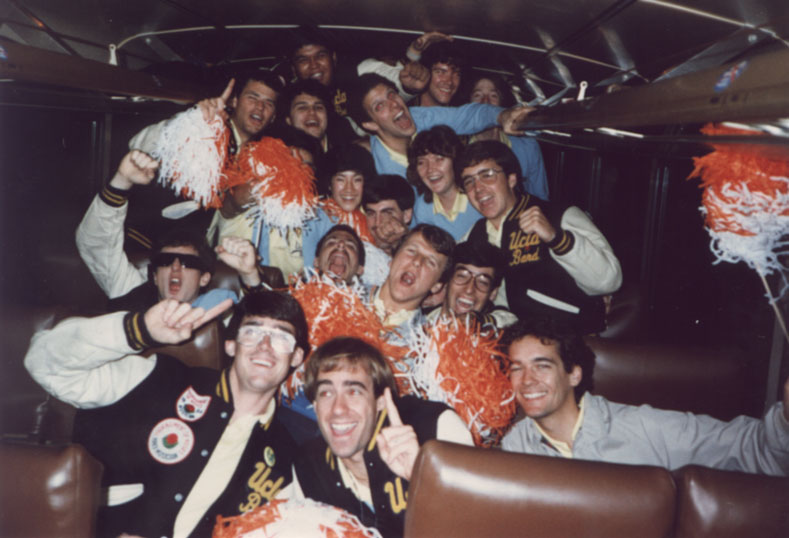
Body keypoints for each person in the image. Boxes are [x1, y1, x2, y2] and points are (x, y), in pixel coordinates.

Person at [24, 291, 312, 537]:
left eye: (281, 337)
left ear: (297, 357)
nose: (265, 346)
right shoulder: (159, 379)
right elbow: (43, 363)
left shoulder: (286, 457)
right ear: (231, 345)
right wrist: (139, 329)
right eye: (252, 331)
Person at [500, 318, 789, 476]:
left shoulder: (643, 427)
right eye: (517, 368)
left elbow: (752, 447)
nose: (527, 380)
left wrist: (786, 419)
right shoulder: (514, 447)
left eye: (542, 365)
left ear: (574, 374)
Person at [294, 337, 473, 538]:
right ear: (316, 406)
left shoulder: (436, 431)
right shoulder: (307, 467)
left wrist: (425, 483)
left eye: (353, 391)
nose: (338, 409)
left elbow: (484, 526)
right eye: (326, 393)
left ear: (380, 401)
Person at [457, 140, 622, 333]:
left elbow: (609, 280)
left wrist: (556, 239)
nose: (478, 188)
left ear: (511, 179)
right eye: (469, 181)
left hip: (571, 337)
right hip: (518, 342)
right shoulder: (475, 235)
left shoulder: (558, 215)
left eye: (488, 175)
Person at [76, 150, 265, 312]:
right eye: (165, 262)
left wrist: (249, 274)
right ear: (155, 276)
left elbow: (261, 323)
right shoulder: (130, 289)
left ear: (204, 278)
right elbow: (96, 244)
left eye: (187, 263)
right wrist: (122, 181)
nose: (175, 268)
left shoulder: (219, 308)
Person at [347, 73, 533, 177]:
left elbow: (466, 116)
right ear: (370, 124)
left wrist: (502, 116)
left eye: (391, 94)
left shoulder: (419, 117)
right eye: (380, 106)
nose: (394, 104)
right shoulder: (371, 164)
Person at [465, 73, 549, 200]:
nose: (485, 102)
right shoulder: (458, 149)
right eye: (478, 95)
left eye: (493, 96)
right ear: (468, 105)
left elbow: (540, 199)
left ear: (501, 106)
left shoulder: (528, 147)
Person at [371, 224, 454, 347]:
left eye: (430, 262)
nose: (417, 261)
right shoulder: (344, 298)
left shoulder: (426, 347)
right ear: (392, 260)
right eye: (411, 251)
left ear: (437, 286)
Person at [406, 125, 481, 240]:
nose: (430, 169)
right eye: (421, 162)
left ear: (455, 160)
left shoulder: (478, 197)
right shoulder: (422, 208)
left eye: (439, 159)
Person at [427, 240, 517, 329]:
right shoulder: (421, 322)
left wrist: (478, 321)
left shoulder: (494, 331)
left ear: (493, 293)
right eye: (462, 276)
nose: (469, 290)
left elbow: (508, 320)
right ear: (447, 280)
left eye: (482, 282)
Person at [283, 78, 360, 156]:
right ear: (288, 120)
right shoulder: (282, 155)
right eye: (303, 107)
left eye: (318, 107)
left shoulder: (350, 149)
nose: (312, 112)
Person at [362, 173, 416, 256]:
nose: (377, 222)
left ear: (407, 215)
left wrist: (401, 243)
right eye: (371, 213)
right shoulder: (359, 250)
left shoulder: (424, 252)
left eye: (387, 213)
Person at [408, 41, 465, 107]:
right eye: (440, 72)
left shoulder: (462, 115)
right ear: (425, 73)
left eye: (456, 74)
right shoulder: (403, 109)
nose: (449, 82)